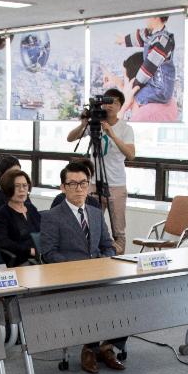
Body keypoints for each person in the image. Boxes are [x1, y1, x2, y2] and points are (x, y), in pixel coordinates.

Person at [41, 160, 127, 373]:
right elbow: (48, 254)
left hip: (99, 273)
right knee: (92, 299)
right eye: (72, 184)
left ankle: (107, 347)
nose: (79, 188)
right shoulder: (52, 216)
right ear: (63, 187)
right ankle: (89, 348)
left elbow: (108, 245)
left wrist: (103, 261)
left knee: (127, 293)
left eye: (83, 183)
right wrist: (78, 268)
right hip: (70, 277)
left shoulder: (96, 213)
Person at [66, 87, 135, 254]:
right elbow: (70, 138)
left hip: (116, 184)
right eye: (106, 102)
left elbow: (131, 155)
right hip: (93, 183)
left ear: (120, 106)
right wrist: (83, 124)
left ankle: (119, 265)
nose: (109, 106)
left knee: (118, 230)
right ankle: (95, 260)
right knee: (93, 226)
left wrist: (112, 135)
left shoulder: (125, 128)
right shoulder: (94, 124)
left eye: (114, 102)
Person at [115, 15, 178, 122]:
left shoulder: (162, 41)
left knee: (137, 97)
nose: (145, 20)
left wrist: (135, 86)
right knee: (135, 95)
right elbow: (140, 36)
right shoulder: (153, 36)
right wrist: (124, 40)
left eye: (147, 16)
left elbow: (148, 68)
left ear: (156, 17)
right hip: (156, 85)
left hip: (160, 88)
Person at [0, 168, 41, 266]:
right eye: (17, 186)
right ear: (8, 189)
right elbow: (3, 242)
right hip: (21, 260)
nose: (22, 190)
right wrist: (29, 251)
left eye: (24, 185)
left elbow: (43, 231)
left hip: (40, 255)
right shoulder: (3, 214)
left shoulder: (31, 208)